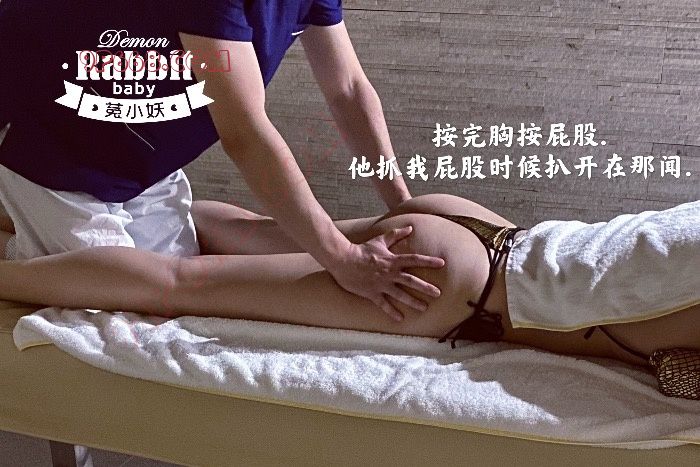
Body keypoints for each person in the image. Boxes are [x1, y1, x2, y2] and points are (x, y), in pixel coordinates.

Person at [0, 0, 445, 323]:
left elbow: (348, 90)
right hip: (59, 158)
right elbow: (245, 134)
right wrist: (342, 258)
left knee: (176, 264)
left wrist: (402, 204)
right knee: (134, 300)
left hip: (143, 164)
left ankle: (15, 219)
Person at [1, 193, 698, 398]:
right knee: (182, 285)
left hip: (478, 232)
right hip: (448, 290)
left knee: (242, 231)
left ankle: (21, 217)